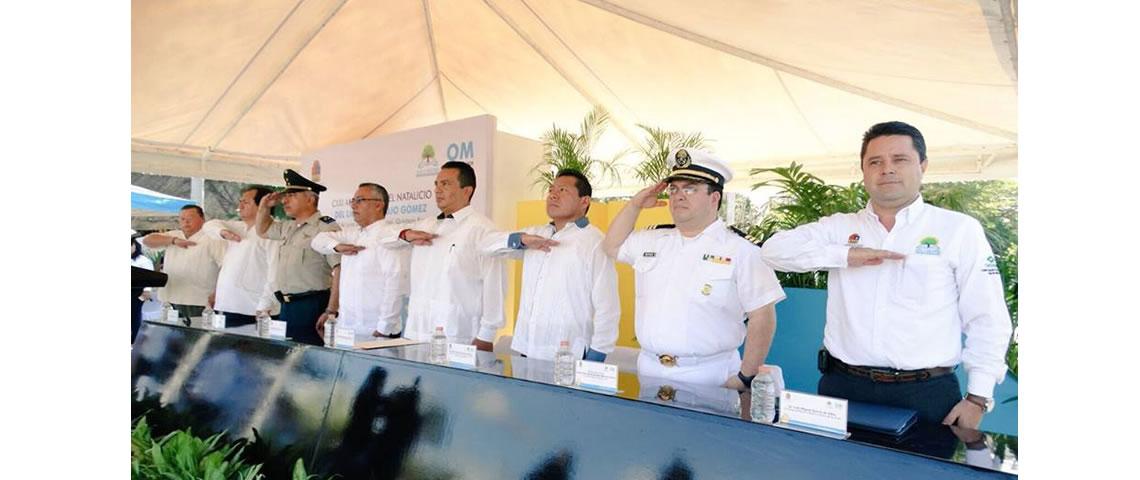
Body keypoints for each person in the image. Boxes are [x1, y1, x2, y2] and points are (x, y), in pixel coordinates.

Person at [758, 121, 1013, 429]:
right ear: (863, 171)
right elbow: (773, 250)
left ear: (923, 165)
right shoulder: (839, 227)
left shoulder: (958, 230)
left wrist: (978, 398)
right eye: (875, 162)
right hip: (843, 388)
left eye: (899, 160)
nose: (887, 169)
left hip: (926, 393)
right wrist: (845, 255)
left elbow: (987, 317)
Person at [602, 149, 785, 389]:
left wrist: (745, 378)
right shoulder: (654, 239)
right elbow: (611, 246)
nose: (678, 196)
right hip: (650, 370)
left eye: (690, 189)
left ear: (714, 198)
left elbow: (762, 315)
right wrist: (635, 205)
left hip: (711, 375)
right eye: (674, 189)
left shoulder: (742, 250)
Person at [482, 169, 619, 361]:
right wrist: (521, 240)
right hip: (526, 350)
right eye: (551, 190)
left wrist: (596, 356)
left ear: (584, 201)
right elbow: (485, 246)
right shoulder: (535, 234)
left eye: (563, 190)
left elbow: (608, 307)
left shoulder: (594, 242)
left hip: (568, 355)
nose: (553, 195)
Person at [380, 161, 506, 351]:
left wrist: (486, 335)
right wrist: (406, 235)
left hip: (457, 335)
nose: (438, 190)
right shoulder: (426, 226)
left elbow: (495, 285)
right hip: (417, 331)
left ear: (467, 191)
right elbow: (382, 238)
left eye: (445, 184)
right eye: (436, 184)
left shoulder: (482, 230)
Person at [311, 182, 410, 338]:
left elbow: (395, 285)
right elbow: (317, 240)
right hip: (347, 329)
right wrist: (337, 246)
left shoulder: (389, 235)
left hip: (376, 331)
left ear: (378, 205)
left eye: (360, 200)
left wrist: (384, 328)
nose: (353, 206)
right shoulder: (352, 234)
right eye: (353, 201)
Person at [256, 169, 341, 346]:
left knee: (310, 362)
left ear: (310, 199)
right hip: (287, 306)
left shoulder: (325, 227)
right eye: (285, 196)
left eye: (292, 195)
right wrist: (264, 207)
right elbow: (262, 230)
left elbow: (339, 270)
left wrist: (331, 310)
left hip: (313, 305)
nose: (285, 200)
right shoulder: (289, 227)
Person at [201, 185, 280, 327]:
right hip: (227, 303)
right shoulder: (239, 227)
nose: (240, 205)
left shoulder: (273, 231)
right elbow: (209, 225)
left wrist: (265, 305)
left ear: (262, 204)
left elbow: (275, 271)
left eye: (246, 202)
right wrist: (223, 232)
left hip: (254, 308)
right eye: (240, 201)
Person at [142, 205, 227, 324]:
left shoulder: (212, 238)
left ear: (202, 218)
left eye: (190, 218)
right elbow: (147, 241)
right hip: (170, 299)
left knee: (197, 338)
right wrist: (174, 241)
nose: (186, 222)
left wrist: (218, 292)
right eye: (182, 219)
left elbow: (226, 267)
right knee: (172, 338)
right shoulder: (174, 235)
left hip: (200, 301)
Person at [131, 234, 155, 343]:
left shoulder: (143, 260)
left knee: (134, 315)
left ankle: (134, 339)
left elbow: (149, 276)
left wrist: (147, 290)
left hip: (136, 292)